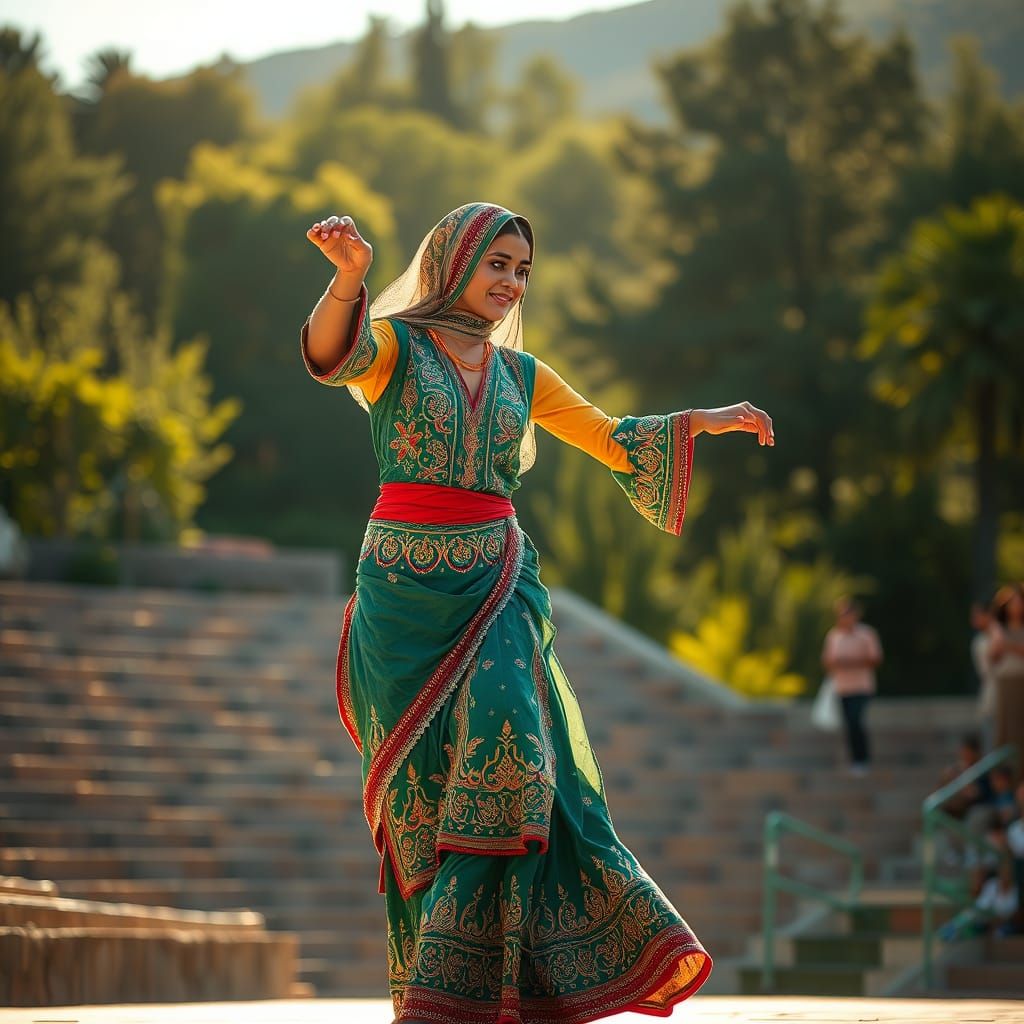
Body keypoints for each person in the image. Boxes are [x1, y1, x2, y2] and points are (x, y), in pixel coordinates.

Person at [299, 203, 774, 1022]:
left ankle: (511, 982)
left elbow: (613, 439)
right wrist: (348, 280)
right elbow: (331, 355)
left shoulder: (523, 375)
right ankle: (446, 989)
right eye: (498, 264)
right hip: (402, 601)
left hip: (497, 583)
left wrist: (703, 420)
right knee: (423, 803)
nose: (512, 283)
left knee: (516, 760)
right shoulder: (397, 348)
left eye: (522, 270)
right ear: (454, 262)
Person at [821, 597, 883, 776]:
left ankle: (862, 759)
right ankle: (855, 760)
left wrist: (850, 662)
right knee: (849, 724)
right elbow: (827, 660)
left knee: (856, 720)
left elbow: (875, 659)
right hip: (842, 688)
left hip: (861, 687)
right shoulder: (833, 636)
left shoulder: (867, 634)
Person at [985, 583, 1024, 784]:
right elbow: (994, 654)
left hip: (1021, 683)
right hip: (1006, 685)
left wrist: (1009, 646)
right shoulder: (999, 628)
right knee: (1005, 732)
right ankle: (1006, 781)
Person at [970, 602, 996, 751]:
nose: (974, 620)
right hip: (991, 700)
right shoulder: (979, 642)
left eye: (977, 615)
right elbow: (987, 670)